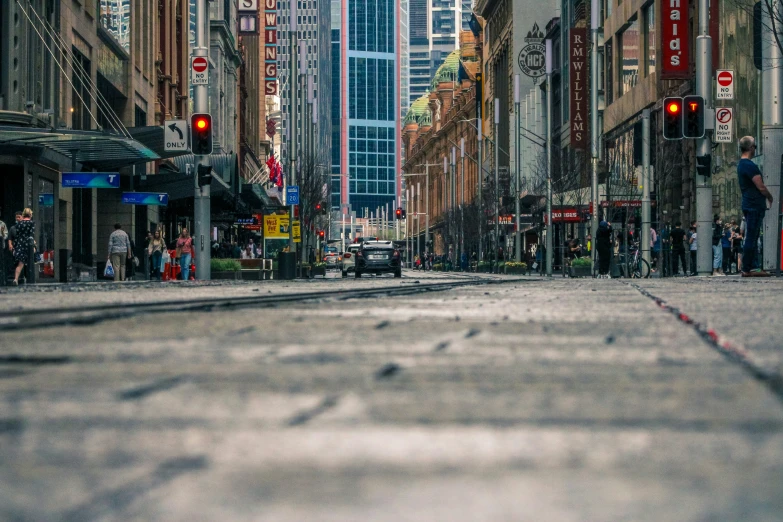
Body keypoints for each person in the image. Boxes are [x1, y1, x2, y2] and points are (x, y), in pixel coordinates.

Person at [737, 136, 774, 276]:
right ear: (751, 148)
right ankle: (747, 268)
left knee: (752, 236)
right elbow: (761, 186)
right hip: (754, 205)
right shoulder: (749, 165)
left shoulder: (742, 164)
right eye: (755, 146)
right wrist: (770, 197)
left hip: (749, 203)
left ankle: (752, 267)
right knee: (752, 237)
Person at [11, 208, 35, 286]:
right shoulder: (32, 223)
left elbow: (17, 236)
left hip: (20, 244)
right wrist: (34, 246)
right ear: (30, 214)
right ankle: (30, 279)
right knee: (30, 262)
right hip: (28, 244)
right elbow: (31, 235)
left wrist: (15, 246)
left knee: (20, 264)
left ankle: (16, 279)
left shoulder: (19, 224)